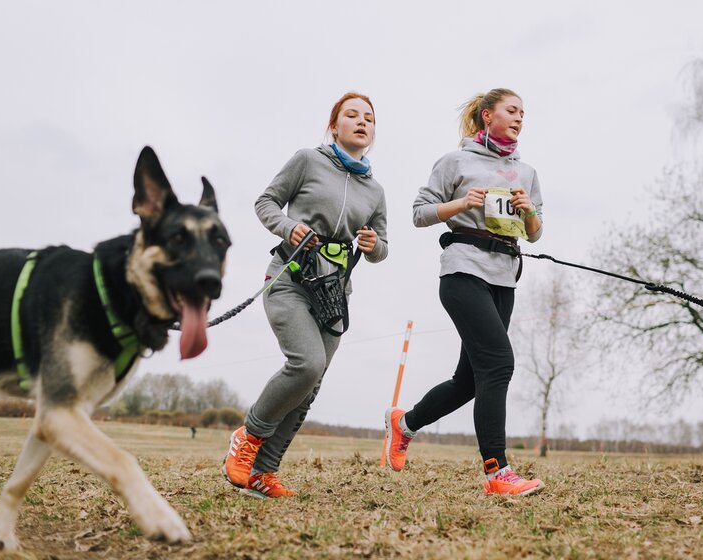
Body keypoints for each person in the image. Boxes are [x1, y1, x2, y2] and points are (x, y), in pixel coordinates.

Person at [223, 92, 388, 498]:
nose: (361, 122)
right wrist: (286, 227)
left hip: (334, 294)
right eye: (351, 115)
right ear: (334, 126)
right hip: (290, 278)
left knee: (310, 385)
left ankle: (263, 474)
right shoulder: (307, 160)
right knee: (306, 363)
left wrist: (371, 244)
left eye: (368, 117)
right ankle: (248, 434)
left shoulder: (376, 190)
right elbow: (266, 202)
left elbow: (383, 246)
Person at [384, 88, 545, 496]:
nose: (520, 117)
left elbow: (536, 233)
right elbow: (420, 213)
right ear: (487, 116)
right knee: (499, 363)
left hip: (504, 277)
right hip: (463, 272)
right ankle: (497, 472)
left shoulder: (526, 172)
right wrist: (460, 204)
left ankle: (403, 424)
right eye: (512, 110)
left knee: (470, 380)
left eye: (523, 113)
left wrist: (528, 212)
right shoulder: (456, 161)